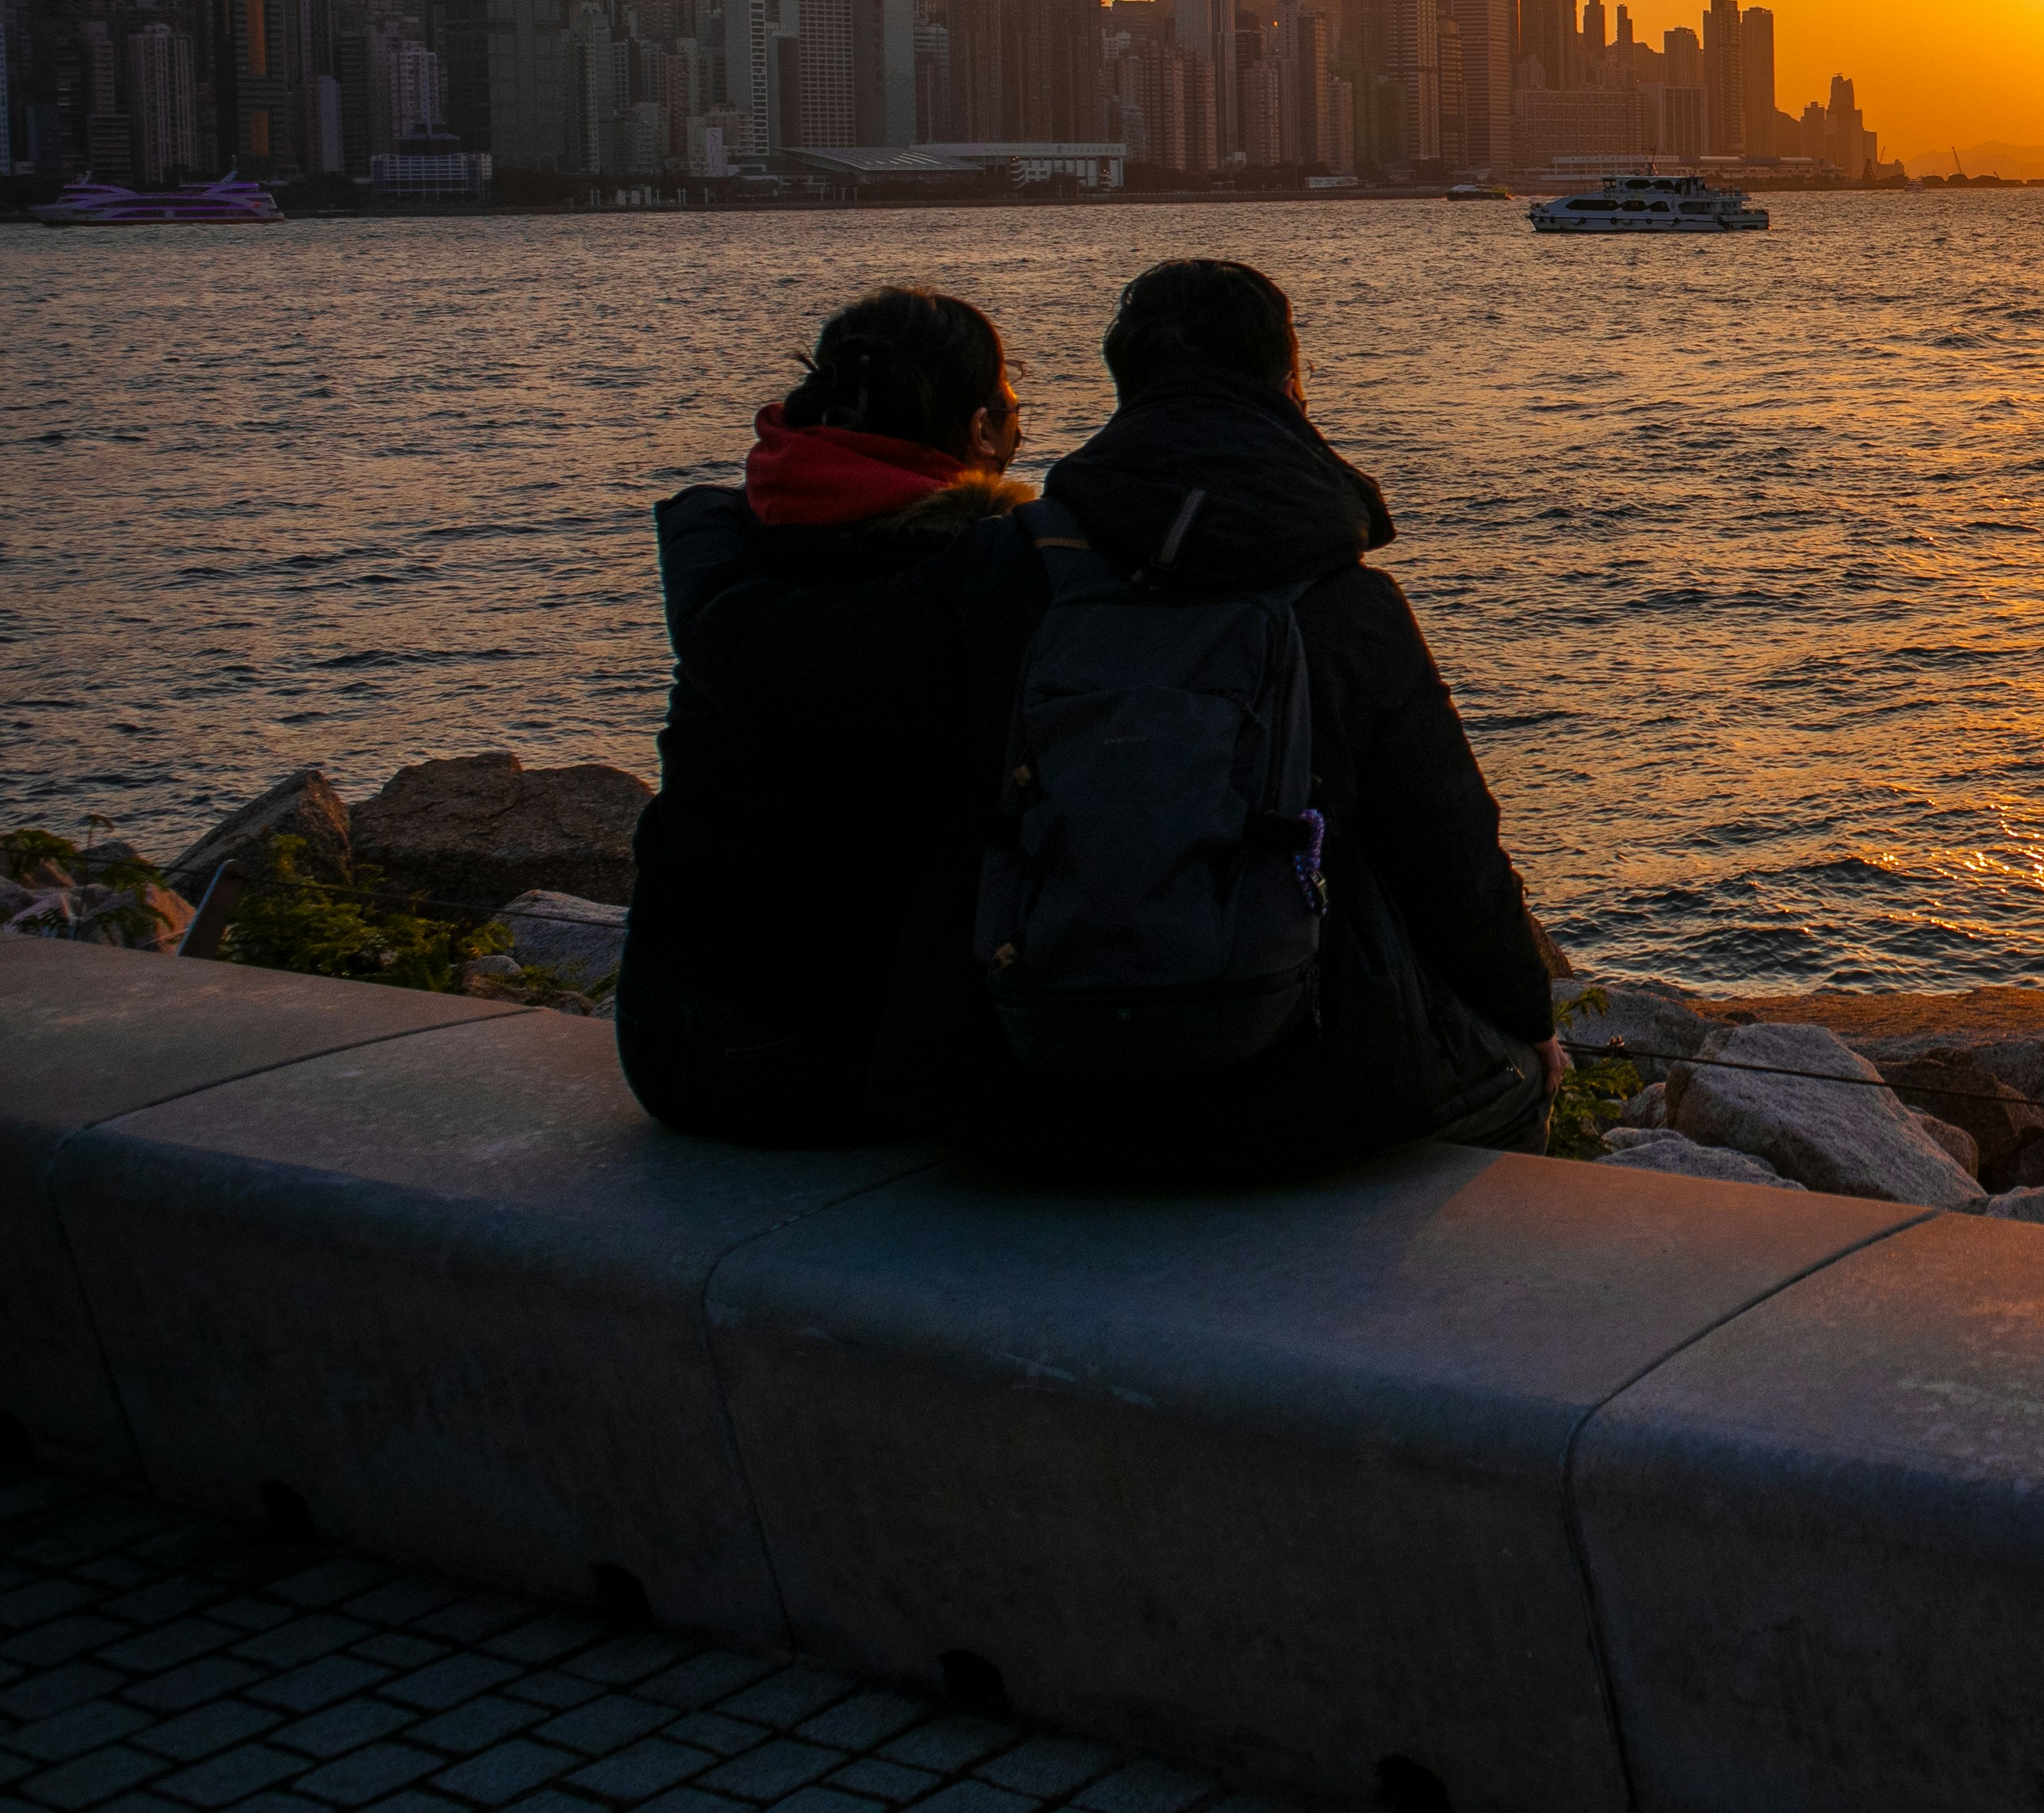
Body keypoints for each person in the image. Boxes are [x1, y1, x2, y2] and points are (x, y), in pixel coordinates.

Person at [622, 262, 1564, 1175]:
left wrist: (711, 538)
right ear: (1292, 387)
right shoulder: (1324, 597)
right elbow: (1452, 856)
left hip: (805, 1056)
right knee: (1497, 1048)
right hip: (943, 1068)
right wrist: (1532, 1024)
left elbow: (774, 668)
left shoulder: (904, 577)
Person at [621, 285, 1037, 1146]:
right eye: (1010, 410)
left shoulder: (734, 555)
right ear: (979, 431)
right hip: (884, 1063)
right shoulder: (995, 578)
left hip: (678, 1050)